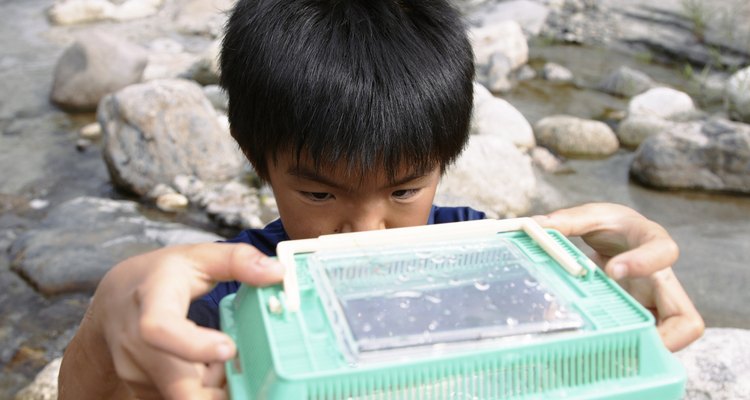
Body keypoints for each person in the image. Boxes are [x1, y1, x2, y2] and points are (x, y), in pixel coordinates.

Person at [57, 0, 704, 399]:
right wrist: (106, 316)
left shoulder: (483, 252)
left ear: (445, 159)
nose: (366, 228)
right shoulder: (224, 298)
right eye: (318, 190)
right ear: (256, 157)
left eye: (404, 188)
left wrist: (610, 283)